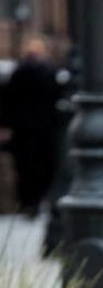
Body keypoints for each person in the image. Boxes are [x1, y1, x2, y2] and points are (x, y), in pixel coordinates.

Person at [2, 37, 63, 217]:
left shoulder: (18, 72)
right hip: (45, 129)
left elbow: (7, 102)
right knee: (44, 166)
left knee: (25, 168)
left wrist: (6, 125)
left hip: (23, 130)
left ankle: (29, 203)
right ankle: (39, 200)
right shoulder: (49, 72)